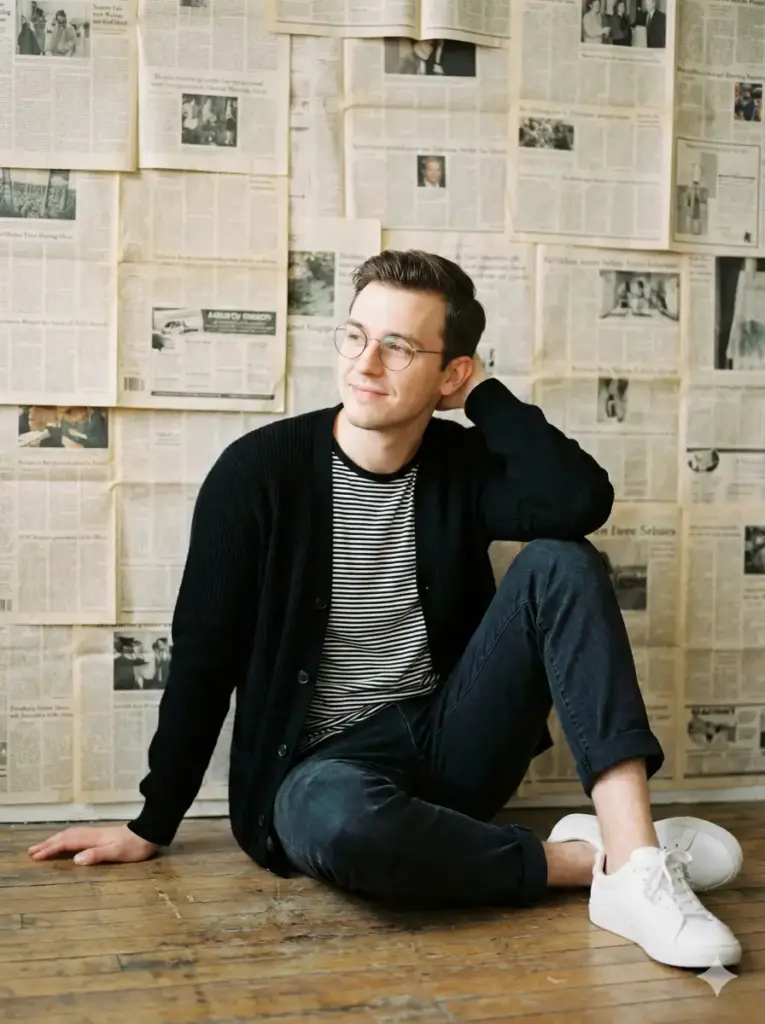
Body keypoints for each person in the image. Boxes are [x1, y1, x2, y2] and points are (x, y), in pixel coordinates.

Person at [28, 251, 744, 970]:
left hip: (450, 743)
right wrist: (152, 822)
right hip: (317, 775)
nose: (365, 364)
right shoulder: (257, 474)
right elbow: (203, 657)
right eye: (355, 336)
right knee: (342, 826)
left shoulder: (459, 465)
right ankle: (598, 862)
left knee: (562, 560)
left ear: (450, 374)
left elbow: (578, 501)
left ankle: (636, 859)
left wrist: (483, 397)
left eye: (398, 346)